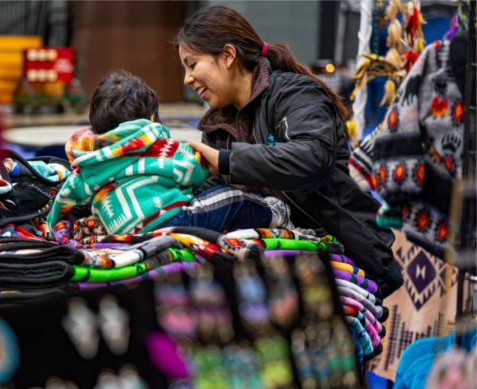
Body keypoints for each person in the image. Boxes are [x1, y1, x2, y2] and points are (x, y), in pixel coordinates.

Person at [176, 5, 404, 298]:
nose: (187, 79)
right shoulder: (218, 128)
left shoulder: (295, 94)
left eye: (192, 64)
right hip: (272, 273)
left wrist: (226, 162)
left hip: (342, 258)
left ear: (228, 56)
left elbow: (312, 157)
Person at [46, 69, 292, 236]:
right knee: (230, 198)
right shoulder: (161, 147)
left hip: (119, 228)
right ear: (152, 119)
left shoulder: (87, 161)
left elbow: (65, 197)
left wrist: (54, 224)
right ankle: (274, 214)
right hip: (171, 221)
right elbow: (193, 173)